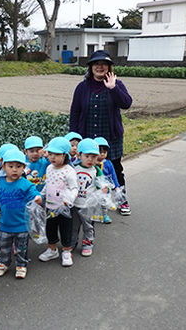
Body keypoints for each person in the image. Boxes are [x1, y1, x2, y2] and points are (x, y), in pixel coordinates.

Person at [69, 50, 132, 215]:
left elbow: (126, 103)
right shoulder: (82, 87)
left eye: (103, 64)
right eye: (96, 64)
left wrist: (113, 88)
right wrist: (74, 138)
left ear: (109, 67)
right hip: (88, 136)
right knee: (88, 169)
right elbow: (75, 112)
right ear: (91, 68)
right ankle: (91, 202)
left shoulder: (116, 84)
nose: (99, 67)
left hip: (111, 137)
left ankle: (121, 200)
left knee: (115, 169)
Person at [0, 149, 42, 279]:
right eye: (10, 166)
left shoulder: (26, 184)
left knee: (22, 248)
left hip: (22, 225)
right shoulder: (0, 182)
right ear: (3, 165)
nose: (14, 170)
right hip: (5, 224)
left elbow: (34, 194)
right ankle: (3, 263)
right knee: (4, 246)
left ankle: (21, 265)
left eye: (18, 166)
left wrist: (38, 198)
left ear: (24, 167)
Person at [38, 137, 78, 267]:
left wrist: (70, 199)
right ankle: (52, 249)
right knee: (50, 228)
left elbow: (74, 188)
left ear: (65, 155)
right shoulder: (49, 168)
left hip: (65, 207)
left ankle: (66, 251)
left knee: (66, 229)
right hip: (50, 206)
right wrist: (41, 195)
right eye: (50, 154)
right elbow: (47, 184)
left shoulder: (69, 171)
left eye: (56, 154)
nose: (52, 157)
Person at [71, 138, 108, 257]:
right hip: (75, 204)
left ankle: (87, 244)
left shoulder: (96, 171)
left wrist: (104, 188)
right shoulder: (73, 168)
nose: (90, 159)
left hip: (89, 205)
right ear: (79, 155)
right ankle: (71, 243)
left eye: (94, 156)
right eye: (87, 156)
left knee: (88, 226)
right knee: (73, 226)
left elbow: (102, 184)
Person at [94, 136, 121, 224]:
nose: (102, 154)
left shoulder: (108, 164)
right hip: (94, 187)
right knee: (93, 202)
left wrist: (116, 186)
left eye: (104, 152)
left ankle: (104, 215)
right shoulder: (91, 163)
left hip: (105, 187)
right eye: (99, 152)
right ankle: (94, 214)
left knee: (103, 202)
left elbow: (113, 175)